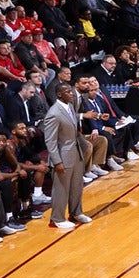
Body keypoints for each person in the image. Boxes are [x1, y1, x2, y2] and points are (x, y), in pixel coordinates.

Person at [42, 84, 100, 229]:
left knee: (76, 186)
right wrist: (57, 162)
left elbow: (73, 130)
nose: (71, 94)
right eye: (67, 92)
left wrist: (83, 144)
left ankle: (76, 212)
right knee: (61, 188)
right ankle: (56, 218)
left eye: (70, 91)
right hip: (63, 157)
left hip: (76, 152)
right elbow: (50, 141)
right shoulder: (53, 113)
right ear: (59, 95)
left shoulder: (69, 107)